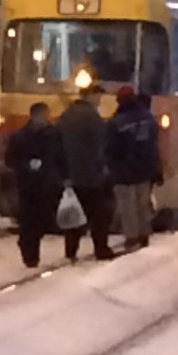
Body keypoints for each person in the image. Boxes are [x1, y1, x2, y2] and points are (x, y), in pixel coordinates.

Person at [56, 83, 115, 262]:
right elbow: (101, 146)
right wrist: (104, 169)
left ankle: (71, 251)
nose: (99, 101)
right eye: (98, 97)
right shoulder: (92, 118)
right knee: (99, 214)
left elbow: (57, 144)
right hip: (91, 174)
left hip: (70, 174)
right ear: (90, 96)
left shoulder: (66, 116)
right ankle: (101, 249)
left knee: (74, 214)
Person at [5, 102, 65, 268]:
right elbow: (10, 159)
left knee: (41, 220)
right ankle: (30, 252)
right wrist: (26, 165)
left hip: (47, 184)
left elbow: (61, 157)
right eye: (41, 116)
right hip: (28, 184)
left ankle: (29, 245)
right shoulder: (20, 137)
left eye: (46, 116)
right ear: (33, 116)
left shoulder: (53, 136)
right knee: (29, 219)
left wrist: (64, 177)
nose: (44, 120)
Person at [106, 85, 160, 250]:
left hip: (124, 170)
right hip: (145, 168)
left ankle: (131, 237)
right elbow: (153, 144)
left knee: (126, 205)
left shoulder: (116, 122)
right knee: (142, 203)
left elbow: (110, 147)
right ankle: (144, 233)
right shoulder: (148, 118)